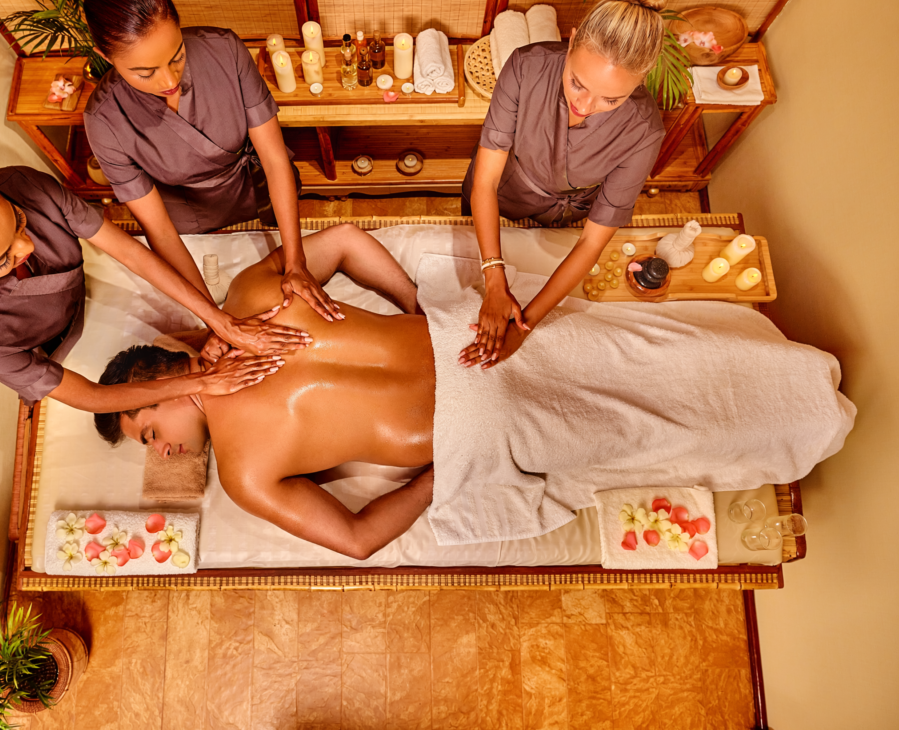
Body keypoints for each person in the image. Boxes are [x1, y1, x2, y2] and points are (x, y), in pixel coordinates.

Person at [93, 226, 852, 558]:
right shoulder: (251, 295)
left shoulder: (245, 475)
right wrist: (417, 308)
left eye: (146, 429)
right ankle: (798, 373)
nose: (162, 453)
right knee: (649, 355)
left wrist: (440, 476)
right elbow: (348, 241)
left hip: (478, 422)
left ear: (163, 377)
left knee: (651, 430)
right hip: (468, 337)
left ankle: (808, 420)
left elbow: (358, 542)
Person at [0, 166, 301, 410]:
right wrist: (203, 384)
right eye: (3, 260)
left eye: (19, 222)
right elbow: (91, 395)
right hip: (61, 350)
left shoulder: (24, 185)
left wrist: (219, 321)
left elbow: (130, 252)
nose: (26, 247)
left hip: (89, 289)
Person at [81, 0, 340, 323]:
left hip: (259, 190)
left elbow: (274, 159)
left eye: (177, 57)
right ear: (106, 57)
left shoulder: (224, 50)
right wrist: (215, 321)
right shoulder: (104, 119)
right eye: (145, 73)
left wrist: (296, 262)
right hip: (192, 219)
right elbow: (160, 231)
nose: (169, 81)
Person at [461, 0, 668, 368]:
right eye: (577, 83)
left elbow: (591, 242)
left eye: (611, 100)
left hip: (568, 211)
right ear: (571, 41)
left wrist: (525, 325)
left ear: (641, 80)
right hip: (504, 187)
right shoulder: (527, 66)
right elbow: (485, 180)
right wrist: (494, 279)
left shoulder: (644, 130)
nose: (585, 106)